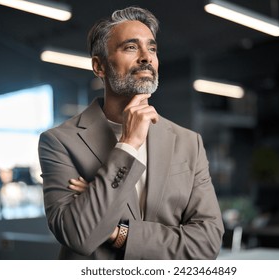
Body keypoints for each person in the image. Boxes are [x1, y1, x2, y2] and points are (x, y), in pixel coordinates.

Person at [38, 6, 224, 260]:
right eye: (131, 47)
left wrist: (117, 232)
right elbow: (79, 234)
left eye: (152, 48)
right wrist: (128, 144)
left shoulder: (189, 142)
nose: (146, 57)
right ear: (99, 66)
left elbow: (208, 242)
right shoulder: (59, 141)